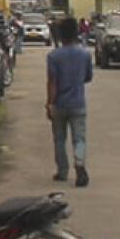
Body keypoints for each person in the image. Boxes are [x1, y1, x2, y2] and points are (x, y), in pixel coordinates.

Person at [45, 16, 93, 187]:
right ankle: (79, 164)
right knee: (79, 138)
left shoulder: (54, 56)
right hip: (78, 103)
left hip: (59, 103)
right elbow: (88, 77)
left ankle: (62, 171)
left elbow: (52, 82)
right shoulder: (85, 55)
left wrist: (49, 103)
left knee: (59, 139)